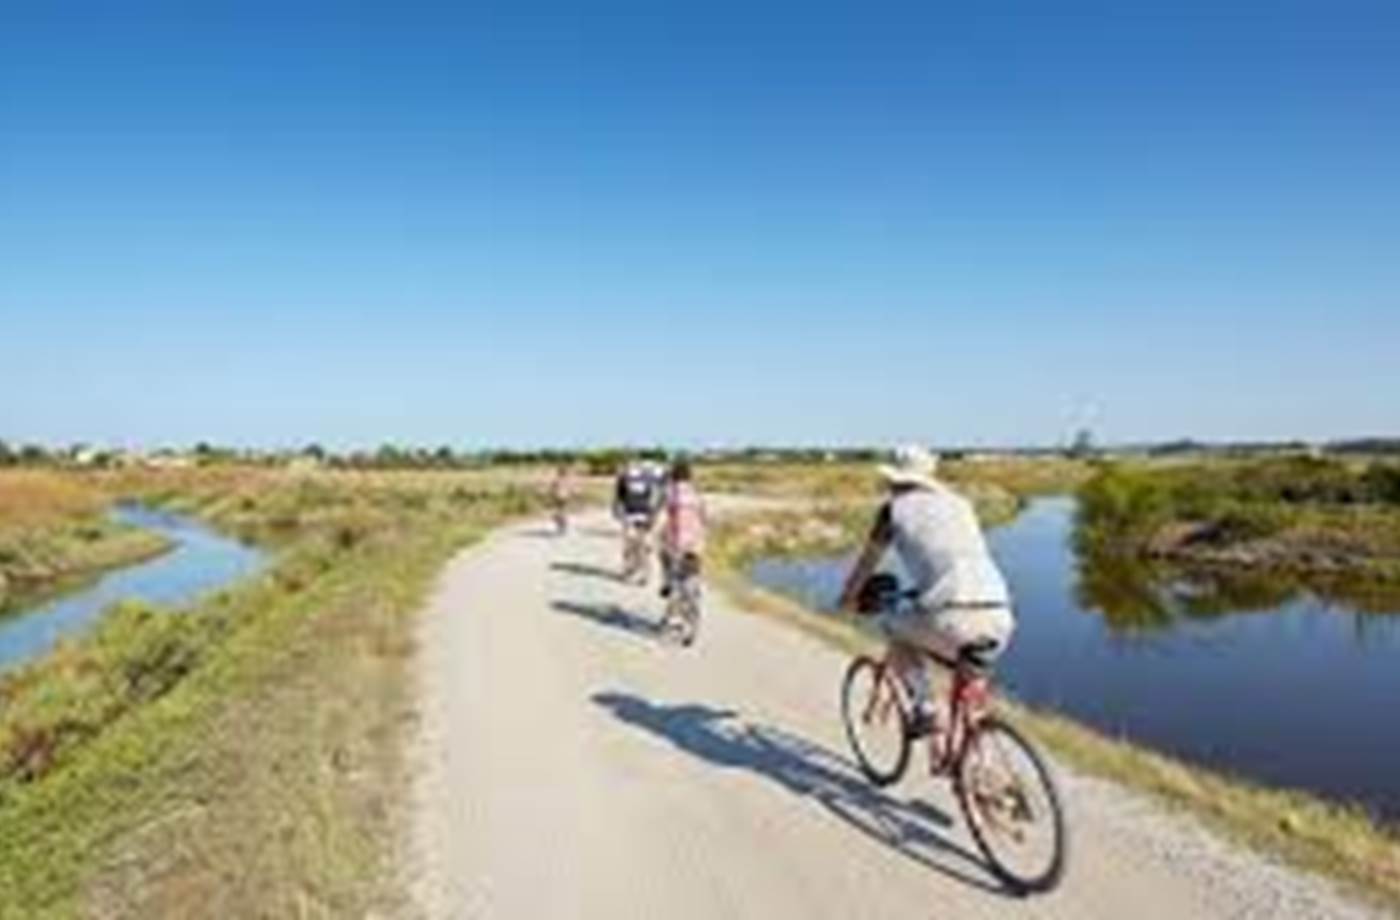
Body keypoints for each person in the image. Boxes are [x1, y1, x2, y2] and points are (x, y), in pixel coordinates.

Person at [838, 444, 1015, 738]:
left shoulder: (893, 510)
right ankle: (977, 754)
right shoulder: (962, 504)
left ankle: (925, 707)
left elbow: (866, 564)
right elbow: (954, 557)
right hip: (1000, 612)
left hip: (949, 614)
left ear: (894, 480)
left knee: (896, 630)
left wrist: (848, 598)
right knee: (969, 664)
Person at [659, 458, 707, 599]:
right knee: (695, 560)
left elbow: (662, 513)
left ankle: (667, 582)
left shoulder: (669, 492)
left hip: (675, 537)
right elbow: (703, 515)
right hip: (695, 537)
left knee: (664, 556)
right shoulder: (696, 492)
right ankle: (697, 583)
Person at [613, 458, 665, 577]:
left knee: (631, 542)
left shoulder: (624, 477)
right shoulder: (647, 478)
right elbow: (654, 496)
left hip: (632, 512)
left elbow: (618, 497)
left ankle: (633, 567)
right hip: (643, 512)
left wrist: (617, 510)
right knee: (640, 542)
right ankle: (641, 570)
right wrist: (654, 514)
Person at [548, 463, 574, 533]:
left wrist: (552, 495)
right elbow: (571, 488)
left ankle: (561, 523)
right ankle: (562, 524)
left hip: (559, 497)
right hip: (563, 497)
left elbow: (552, 488)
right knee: (562, 511)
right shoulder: (566, 480)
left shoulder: (556, 480)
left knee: (560, 511)